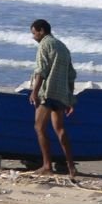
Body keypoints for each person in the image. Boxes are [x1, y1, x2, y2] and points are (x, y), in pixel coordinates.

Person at [28, 18, 78, 179]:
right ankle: (71, 167)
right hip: (61, 94)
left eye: (34, 33)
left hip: (48, 92)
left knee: (39, 127)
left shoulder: (45, 44)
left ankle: (47, 165)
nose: (33, 37)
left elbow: (41, 70)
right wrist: (70, 98)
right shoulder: (63, 47)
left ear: (41, 31)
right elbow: (71, 76)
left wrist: (34, 92)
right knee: (60, 129)